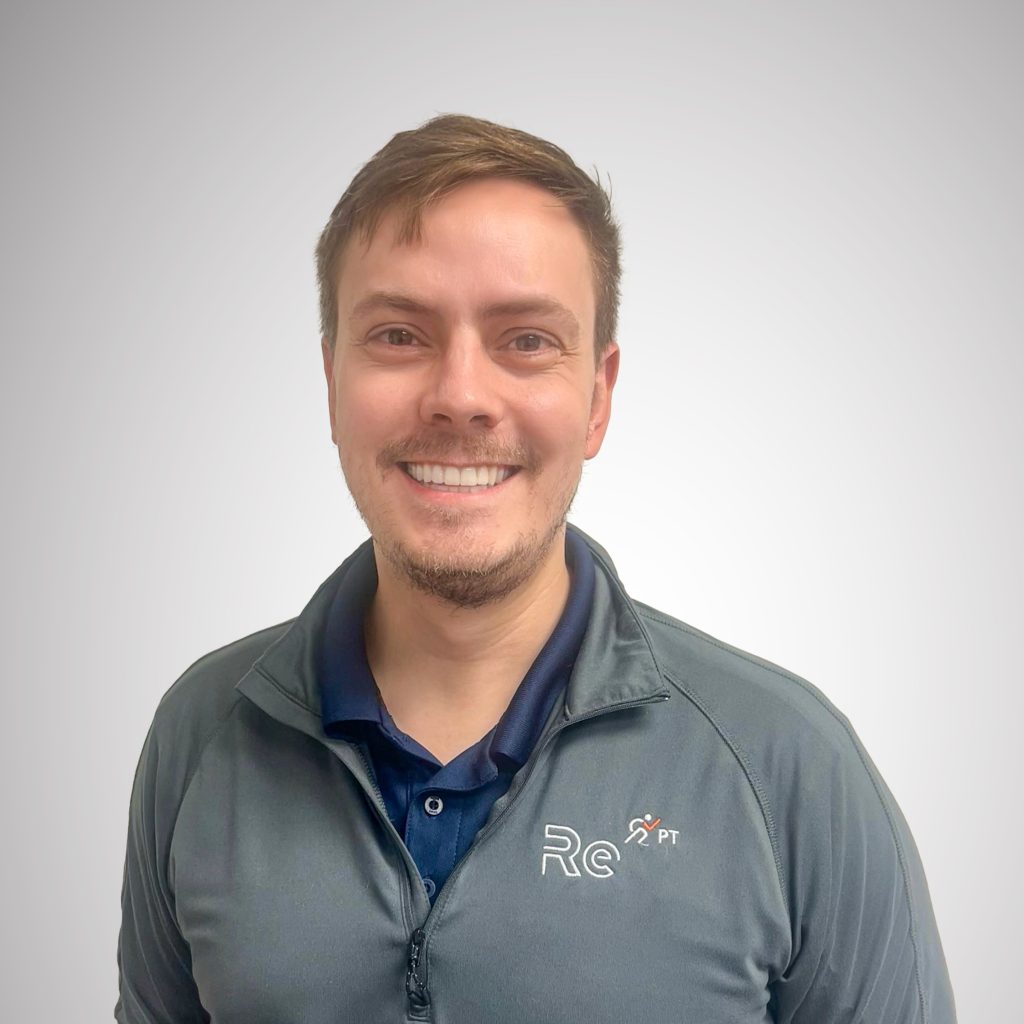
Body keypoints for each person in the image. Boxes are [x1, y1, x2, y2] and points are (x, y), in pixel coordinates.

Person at [115, 114, 956, 1023]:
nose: (460, 396)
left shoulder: (787, 766)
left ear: (597, 398)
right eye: (398, 334)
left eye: (525, 340)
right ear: (331, 383)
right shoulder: (201, 735)